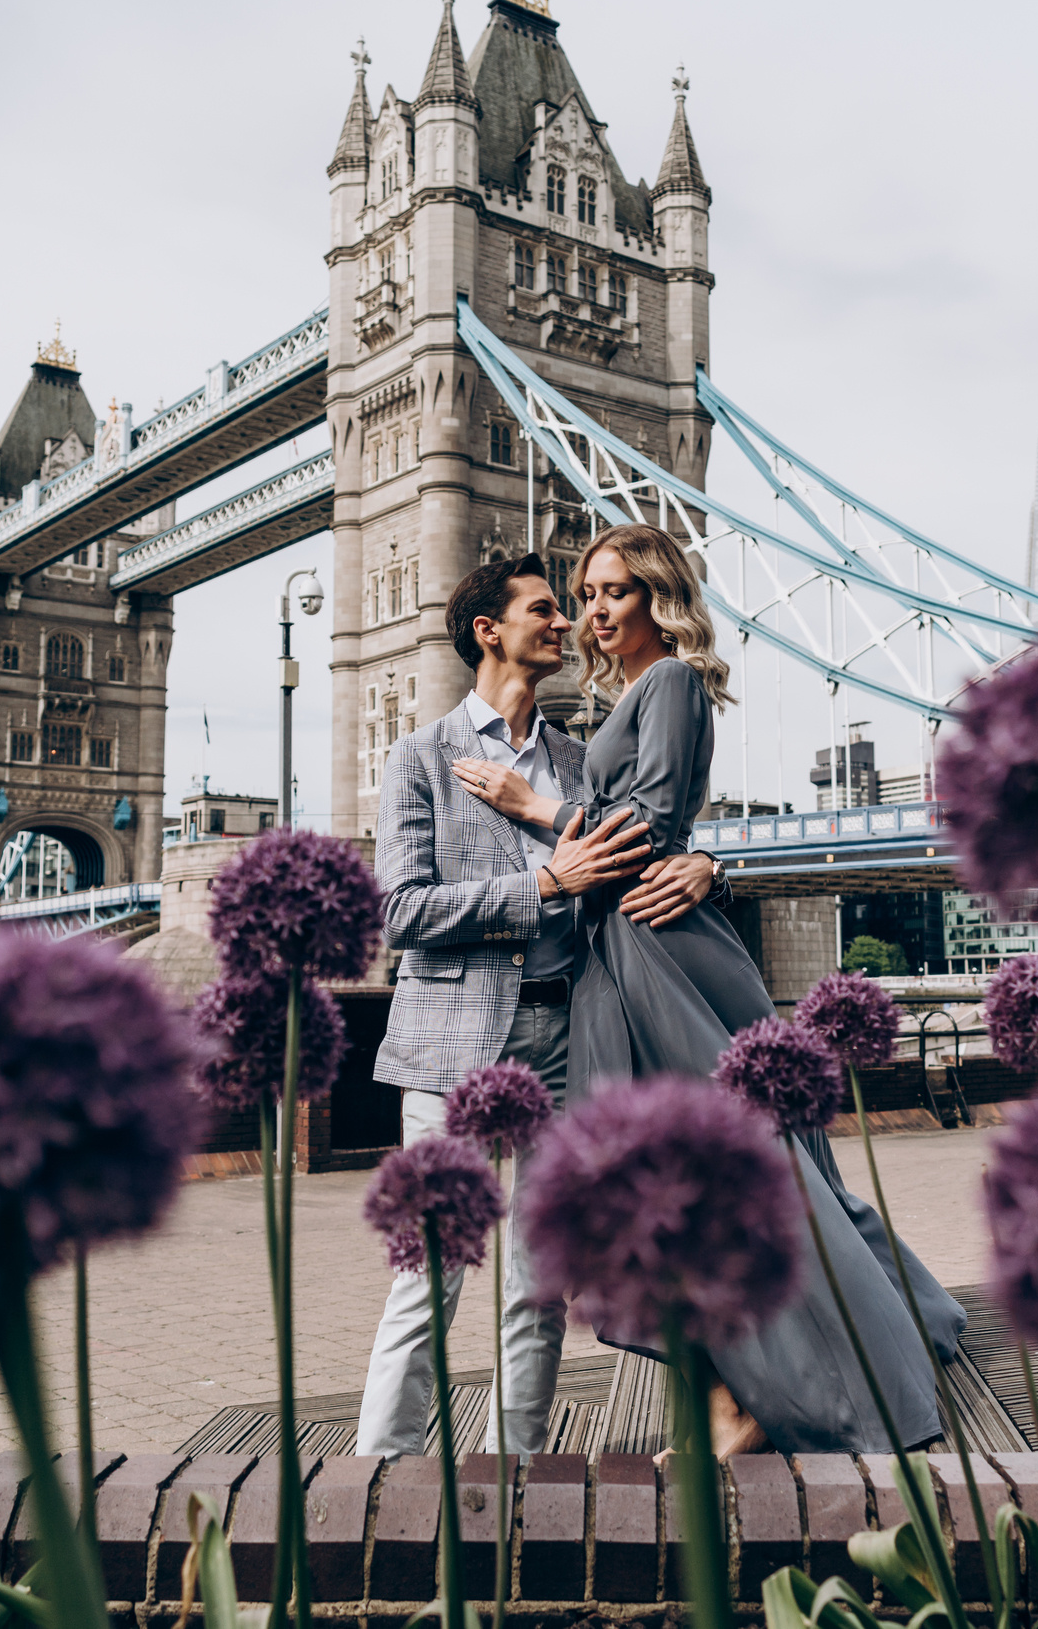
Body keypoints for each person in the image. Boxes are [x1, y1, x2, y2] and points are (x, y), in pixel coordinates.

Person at [455, 523, 966, 1456]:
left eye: (614, 592)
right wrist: (696, 859)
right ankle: (737, 1383)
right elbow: (657, 831)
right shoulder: (621, 705)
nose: (593, 612)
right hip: (624, 949)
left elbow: (645, 831)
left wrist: (537, 809)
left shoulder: (674, 682)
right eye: (585, 595)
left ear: (658, 597)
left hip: (661, 951)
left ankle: (769, 1390)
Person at [355, 552, 723, 1458]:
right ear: (491, 631)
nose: (568, 625)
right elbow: (402, 913)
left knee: (538, 1284)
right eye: (546, 611)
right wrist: (542, 883)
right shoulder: (420, 756)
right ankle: (378, 1479)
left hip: (562, 1038)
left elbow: (651, 840)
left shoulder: (573, 760)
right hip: (451, 1049)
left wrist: (713, 865)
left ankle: (519, 1475)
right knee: (428, 1279)